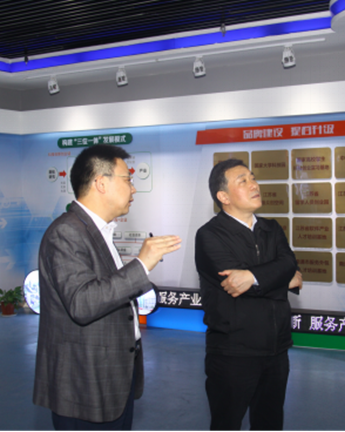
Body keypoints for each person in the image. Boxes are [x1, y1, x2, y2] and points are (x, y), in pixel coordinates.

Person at [33, 144, 182, 431]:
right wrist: (141, 265)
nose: (134, 189)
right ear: (101, 183)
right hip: (84, 385)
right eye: (128, 179)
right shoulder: (66, 233)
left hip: (112, 377)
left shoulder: (96, 231)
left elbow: (106, 291)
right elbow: (82, 303)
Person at [195, 159, 303, 431]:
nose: (254, 185)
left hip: (277, 349)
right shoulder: (209, 235)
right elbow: (236, 283)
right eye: (242, 181)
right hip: (233, 351)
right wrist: (281, 280)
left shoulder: (271, 228)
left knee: (270, 423)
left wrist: (252, 277)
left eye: (253, 178)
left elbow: (289, 263)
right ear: (223, 197)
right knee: (226, 423)